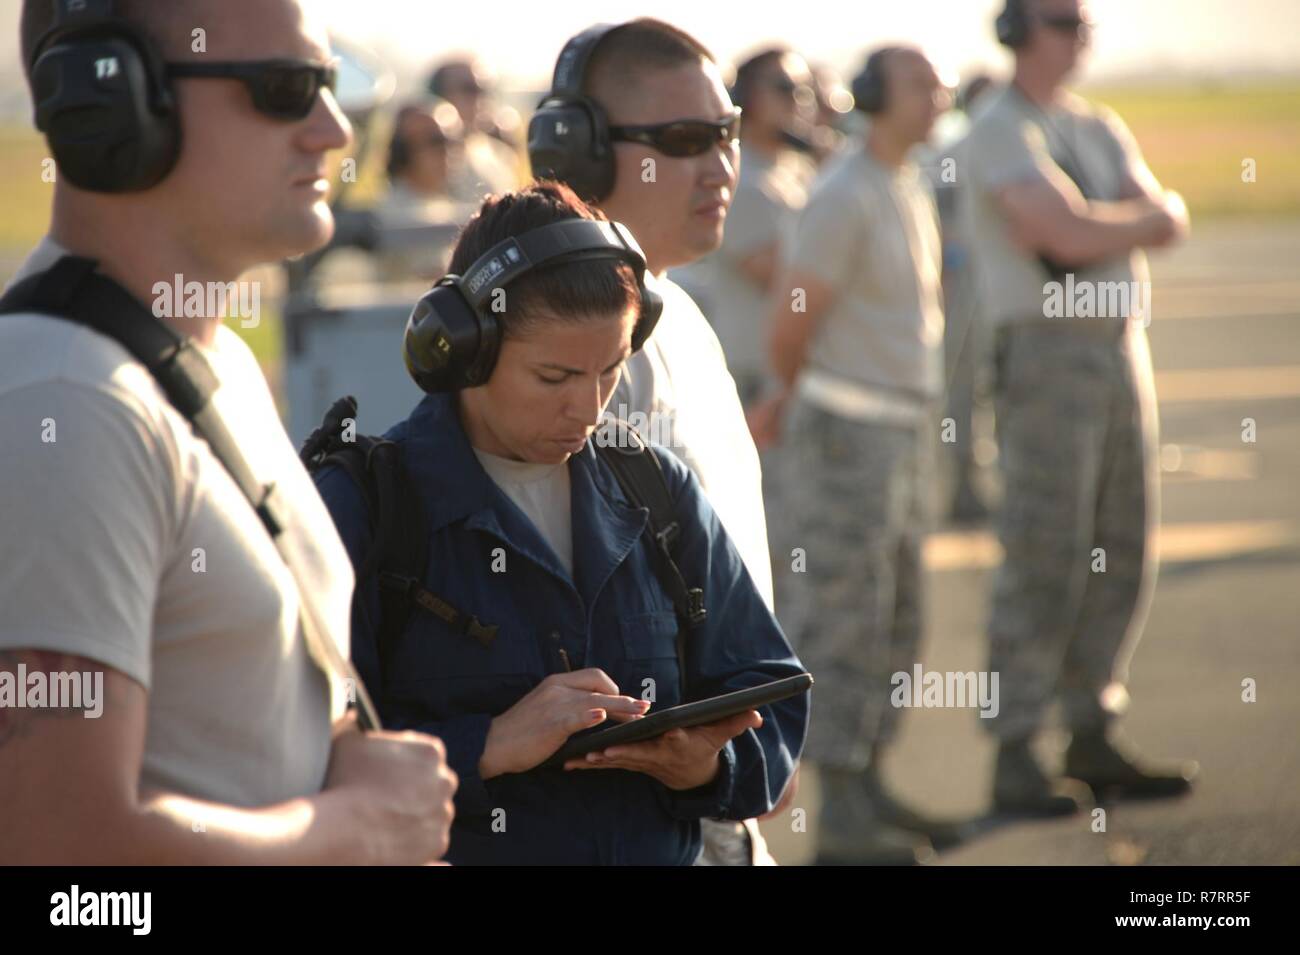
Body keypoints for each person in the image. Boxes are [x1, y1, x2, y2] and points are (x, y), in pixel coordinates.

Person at [0, 0, 456, 864]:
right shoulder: (68, 399)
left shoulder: (199, 365)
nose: (330, 131)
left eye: (330, 85)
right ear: (113, 100)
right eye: (284, 89)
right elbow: (59, 859)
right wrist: (356, 829)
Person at [313, 180, 808, 865]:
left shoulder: (656, 490)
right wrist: (486, 744)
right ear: (461, 349)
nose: (587, 408)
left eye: (609, 371)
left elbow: (774, 698)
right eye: (553, 377)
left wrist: (704, 766)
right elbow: (301, 756)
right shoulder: (366, 507)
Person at [527, 18, 786, 864]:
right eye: (683, 140)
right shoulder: (576, 345)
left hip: (713, 788)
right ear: (584, 152)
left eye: (728, 134)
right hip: (645, 818)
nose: (721, 166)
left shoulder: (680, 312)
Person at [962, 0, 1197, 816]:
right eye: (1063, 21)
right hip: (1046, 351)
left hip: (1118, 342)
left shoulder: (1096, 125)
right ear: (1019, 30)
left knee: (1122, 537)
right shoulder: (997, 126)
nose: (1079, 36)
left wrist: (1115, 224)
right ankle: (1017, 747)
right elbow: (1057, 233)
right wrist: (1130, 222)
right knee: (1045, 548)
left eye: (1083, 23)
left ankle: (1091, 725)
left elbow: (1166, 218)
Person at [758, 46, 952, 865]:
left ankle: (869, 782)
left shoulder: (900, 181)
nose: (937, 95)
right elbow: (791, 321)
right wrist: (806, 403)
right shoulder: (843, 194)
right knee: (844, 620)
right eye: (919, 84)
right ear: (875, 97)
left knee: (898, 617)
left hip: (900, 431)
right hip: (850, 433)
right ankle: (841, 818)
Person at [707, 47, 817, 407]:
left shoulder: (799, 171)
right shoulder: (741, 180)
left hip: (793, 370)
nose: (800, 100)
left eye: (805, 88)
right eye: (786, 88)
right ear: (747, 97)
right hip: (755, 373)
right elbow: (787, 280)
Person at [372, 99, 471, 283]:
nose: (448, 151)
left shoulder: (446, 204)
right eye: (436, 141)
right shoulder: (388, 214)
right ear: (402, 152)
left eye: (454, 140)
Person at [426, 56, 522, 203]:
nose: (480, 97)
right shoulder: (424, 157)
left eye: (484, 89)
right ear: (439, 96)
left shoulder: (501, 154)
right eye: (469, 89)